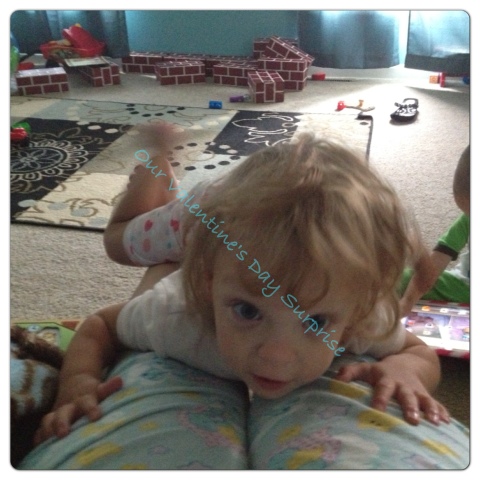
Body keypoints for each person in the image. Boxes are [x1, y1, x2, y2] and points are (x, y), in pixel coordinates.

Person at [35, 131, 450, 447]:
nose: (276, 355)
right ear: (208, 285)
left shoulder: (357, 312)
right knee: (119, 242)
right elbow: (100, 326)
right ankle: (153, 165)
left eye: (314, 321)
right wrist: (77, 382)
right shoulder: (175, 315)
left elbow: (418, 352)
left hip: (240, 237)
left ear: (354, 313)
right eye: (248, 311)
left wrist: (404, 370)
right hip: (199, 219)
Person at [399, 145, 470, 317]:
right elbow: (439, 258)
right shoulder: (467, 219)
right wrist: (408, 301)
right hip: (465, 284)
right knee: (400, 279)